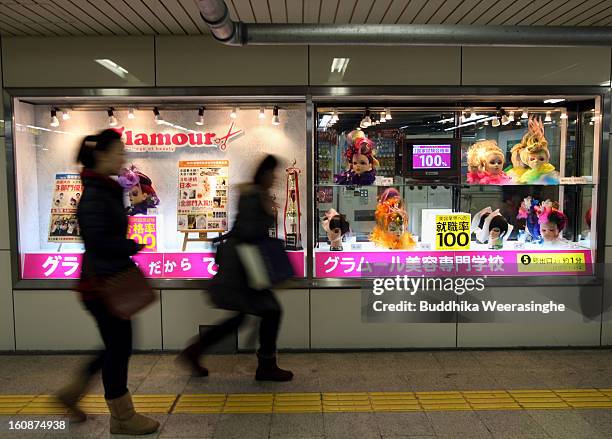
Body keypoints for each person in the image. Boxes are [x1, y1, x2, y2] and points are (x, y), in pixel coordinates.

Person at [55, 129, 159, 435]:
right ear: (101, 155)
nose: (122, 158)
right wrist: (130, 246)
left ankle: (71, 394)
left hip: (103, 279)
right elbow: (97, 240)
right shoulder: (95, 195)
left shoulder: (104, 190)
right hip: (101, 283)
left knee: (115, 344)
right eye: (117, 152)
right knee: (119, 346)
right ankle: (122, 417)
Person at [178, 154, 293, 382]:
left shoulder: (253, 194)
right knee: (271, 311)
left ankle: (194, 351)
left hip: (242, 267)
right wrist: (269, 213)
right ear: (265, 174)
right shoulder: (254, 196)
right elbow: (249, 233)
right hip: (244, 269)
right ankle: (266, 366)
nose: (275, 179)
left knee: (241, 317)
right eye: (273, 174)